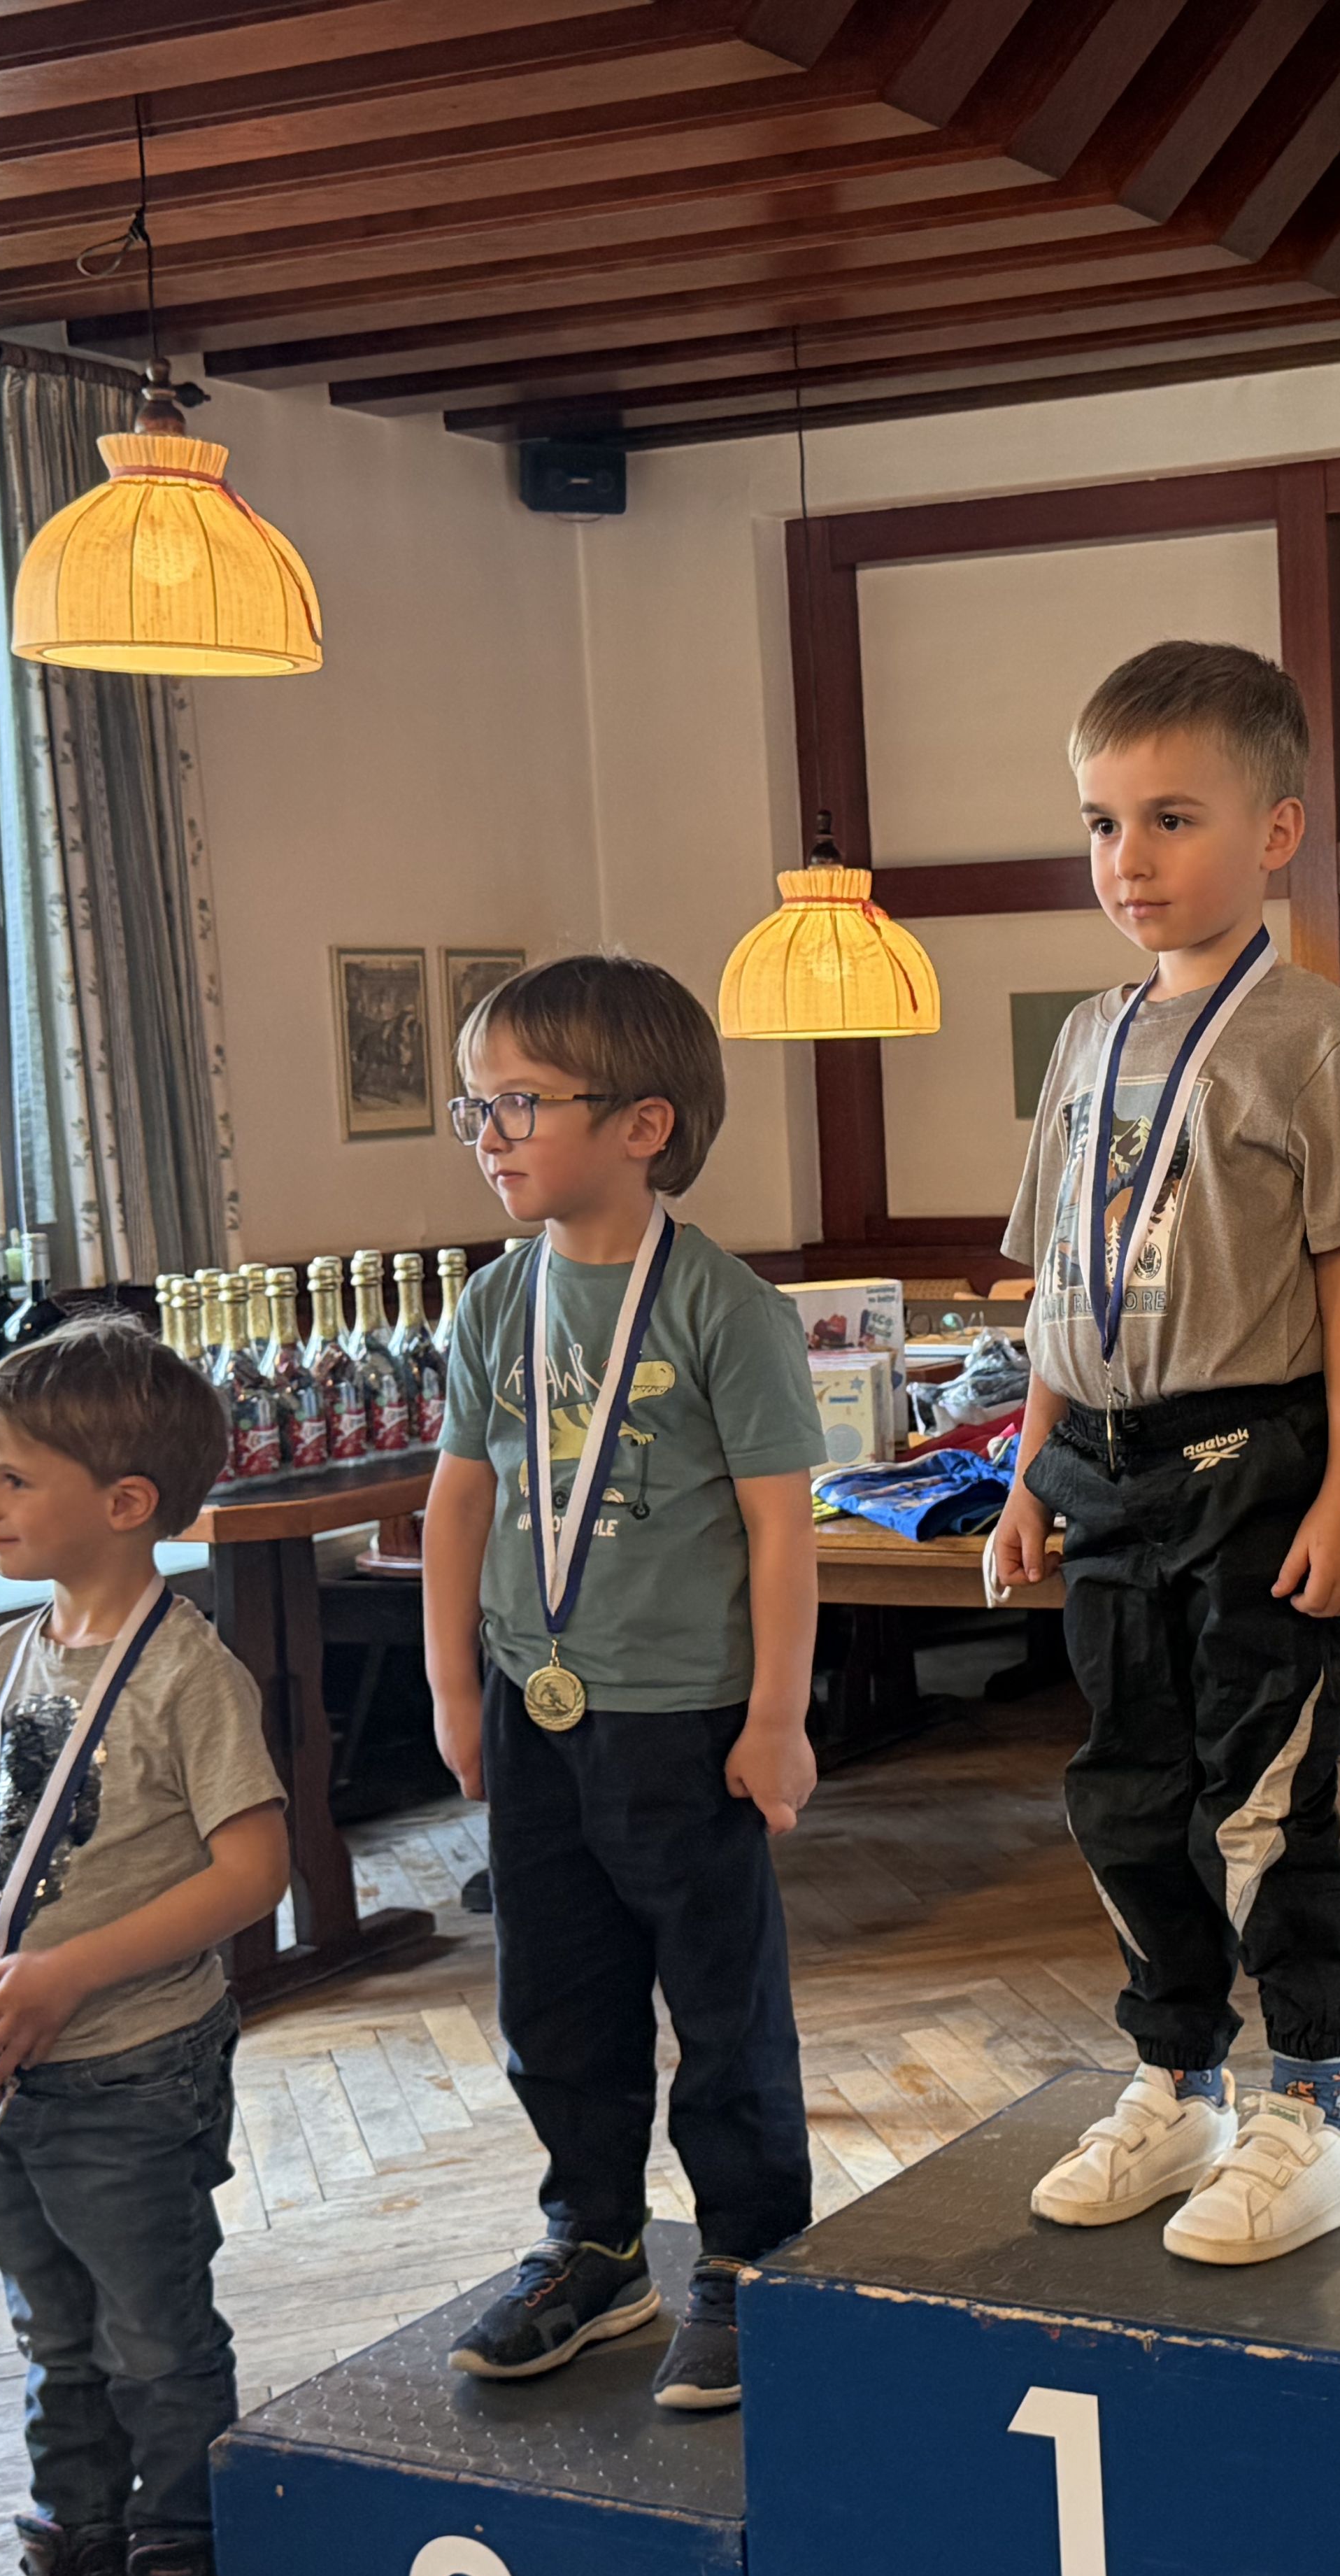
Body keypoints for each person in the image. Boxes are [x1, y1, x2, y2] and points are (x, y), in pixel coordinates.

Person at [987, 641, 1340, 2266]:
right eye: (1103, 824)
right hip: (1101, 1467)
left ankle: (1318, 2110)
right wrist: (1028, 1470)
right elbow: (1063, 1278)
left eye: (1172, 819)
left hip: (1255, 1463)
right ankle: (1178, 2080)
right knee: (1128, 1795)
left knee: (1260, 1803)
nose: (1130, 859)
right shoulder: (1086, 1040)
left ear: (1277, 831)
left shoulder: (1311, 1034)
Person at [424, 954, 825, 2410]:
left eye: (521, 1103)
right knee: (557, 1998)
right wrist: (453, 1688)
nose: (490, 1135)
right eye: (475, 1106)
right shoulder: (494, 1305)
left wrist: (776, 1718)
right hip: (538, 1710)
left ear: (643, 1125)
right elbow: (459, 1501)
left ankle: (751, 2253)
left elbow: (781, 1530)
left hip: (689, 1719)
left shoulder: (724, 1307)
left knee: (720, 2004)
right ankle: (593, 2241)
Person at [0, 1319, 289, 2576]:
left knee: (151, 2333)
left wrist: (69, 1973)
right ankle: (76, 2542)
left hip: (131, 2069)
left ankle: (182, 2552)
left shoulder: (189, 1674)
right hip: (1, 2064)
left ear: (126, 1503)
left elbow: (254, 1871)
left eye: (13, 1477)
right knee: (50, 2329)